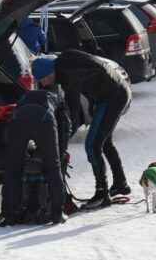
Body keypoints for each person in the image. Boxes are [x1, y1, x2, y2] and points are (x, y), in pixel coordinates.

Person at [32, 50, 132, 210]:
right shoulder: (61, 62)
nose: (44, 84)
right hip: (111, 92)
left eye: (46, 79)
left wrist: (61, 142)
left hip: (114, 96)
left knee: (92, 145)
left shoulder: (68, 75)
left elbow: (73, 111)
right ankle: (121, 183)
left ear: (52, 72)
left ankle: (102, 193)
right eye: (40, 81)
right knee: (104, 142)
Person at [0, 85, 71, 227]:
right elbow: (65, 125)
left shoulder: (26, 95)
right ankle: (57, 213)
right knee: (53, 169)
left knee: (12, 170)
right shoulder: (57, 97)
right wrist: (61, 150)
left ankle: (6, 215)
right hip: (44, 121)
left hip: (17, 121)